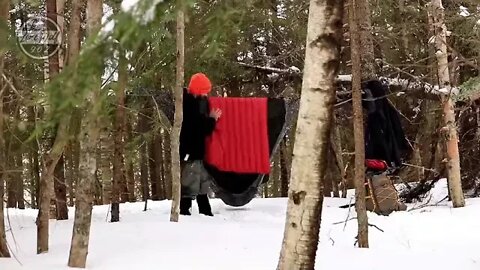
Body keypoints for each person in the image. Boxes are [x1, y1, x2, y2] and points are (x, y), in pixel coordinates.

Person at [179, 73, 221, 216]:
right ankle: (185, 214)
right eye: (204, 90)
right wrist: (212, 120)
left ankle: (206, 213)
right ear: (198, 89)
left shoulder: (194, 102)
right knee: (189, 185)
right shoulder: (189, 105)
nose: (206, 94)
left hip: (196, 151)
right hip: (190, 152)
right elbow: (199, 128)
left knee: (203, 183)